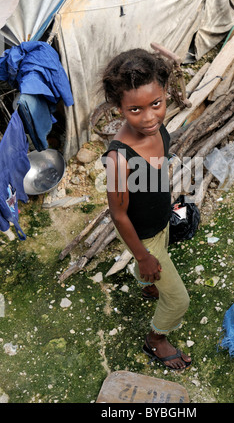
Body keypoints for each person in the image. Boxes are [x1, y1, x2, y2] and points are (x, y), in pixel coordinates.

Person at [101, 48, 191, 370]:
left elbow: (156, 173)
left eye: (157, 104)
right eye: (136, 110)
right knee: (179, 299)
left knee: (159, 253)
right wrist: (142, 255)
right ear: (119, 108)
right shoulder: (118, 159)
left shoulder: (159, 132)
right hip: (139, 232)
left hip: (159, 220)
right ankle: (156, 340)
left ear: (165, 94)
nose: (150, 117)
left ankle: (149, 283)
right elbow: (119, 214)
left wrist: (166, 203)